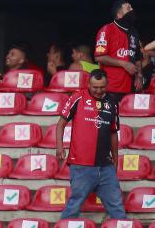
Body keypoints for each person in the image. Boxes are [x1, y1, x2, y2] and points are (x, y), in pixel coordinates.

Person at [56, 69, 126, 220]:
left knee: (117, 206)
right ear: (88, 84)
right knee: (74, 205)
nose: (98, 90)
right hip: (81, 165)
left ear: (107, 84)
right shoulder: (78, 97)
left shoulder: (112, 103)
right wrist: (59, 147)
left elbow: (114, 133)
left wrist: (116, 159)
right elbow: (61, 123)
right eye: (95, 87)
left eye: (102, 87)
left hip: (105, 165)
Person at [94, 0, 143, 104]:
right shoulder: (107, 30)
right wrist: (123, 63)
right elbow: (99, 57)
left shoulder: (134, 32)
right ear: (119, 14)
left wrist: (139, 75)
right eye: (128, 8)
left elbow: (138, 58)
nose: (132, 10)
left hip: (131, 89)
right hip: (111, 89)